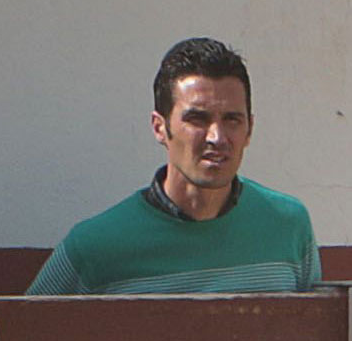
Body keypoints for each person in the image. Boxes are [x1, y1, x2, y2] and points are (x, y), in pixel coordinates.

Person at [28, 39, 320, 296]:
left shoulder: (288, 226)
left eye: (232, 119)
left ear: (250, 128)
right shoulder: (95, 246)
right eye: (197, 119)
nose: (216, 137)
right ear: (159, 127)